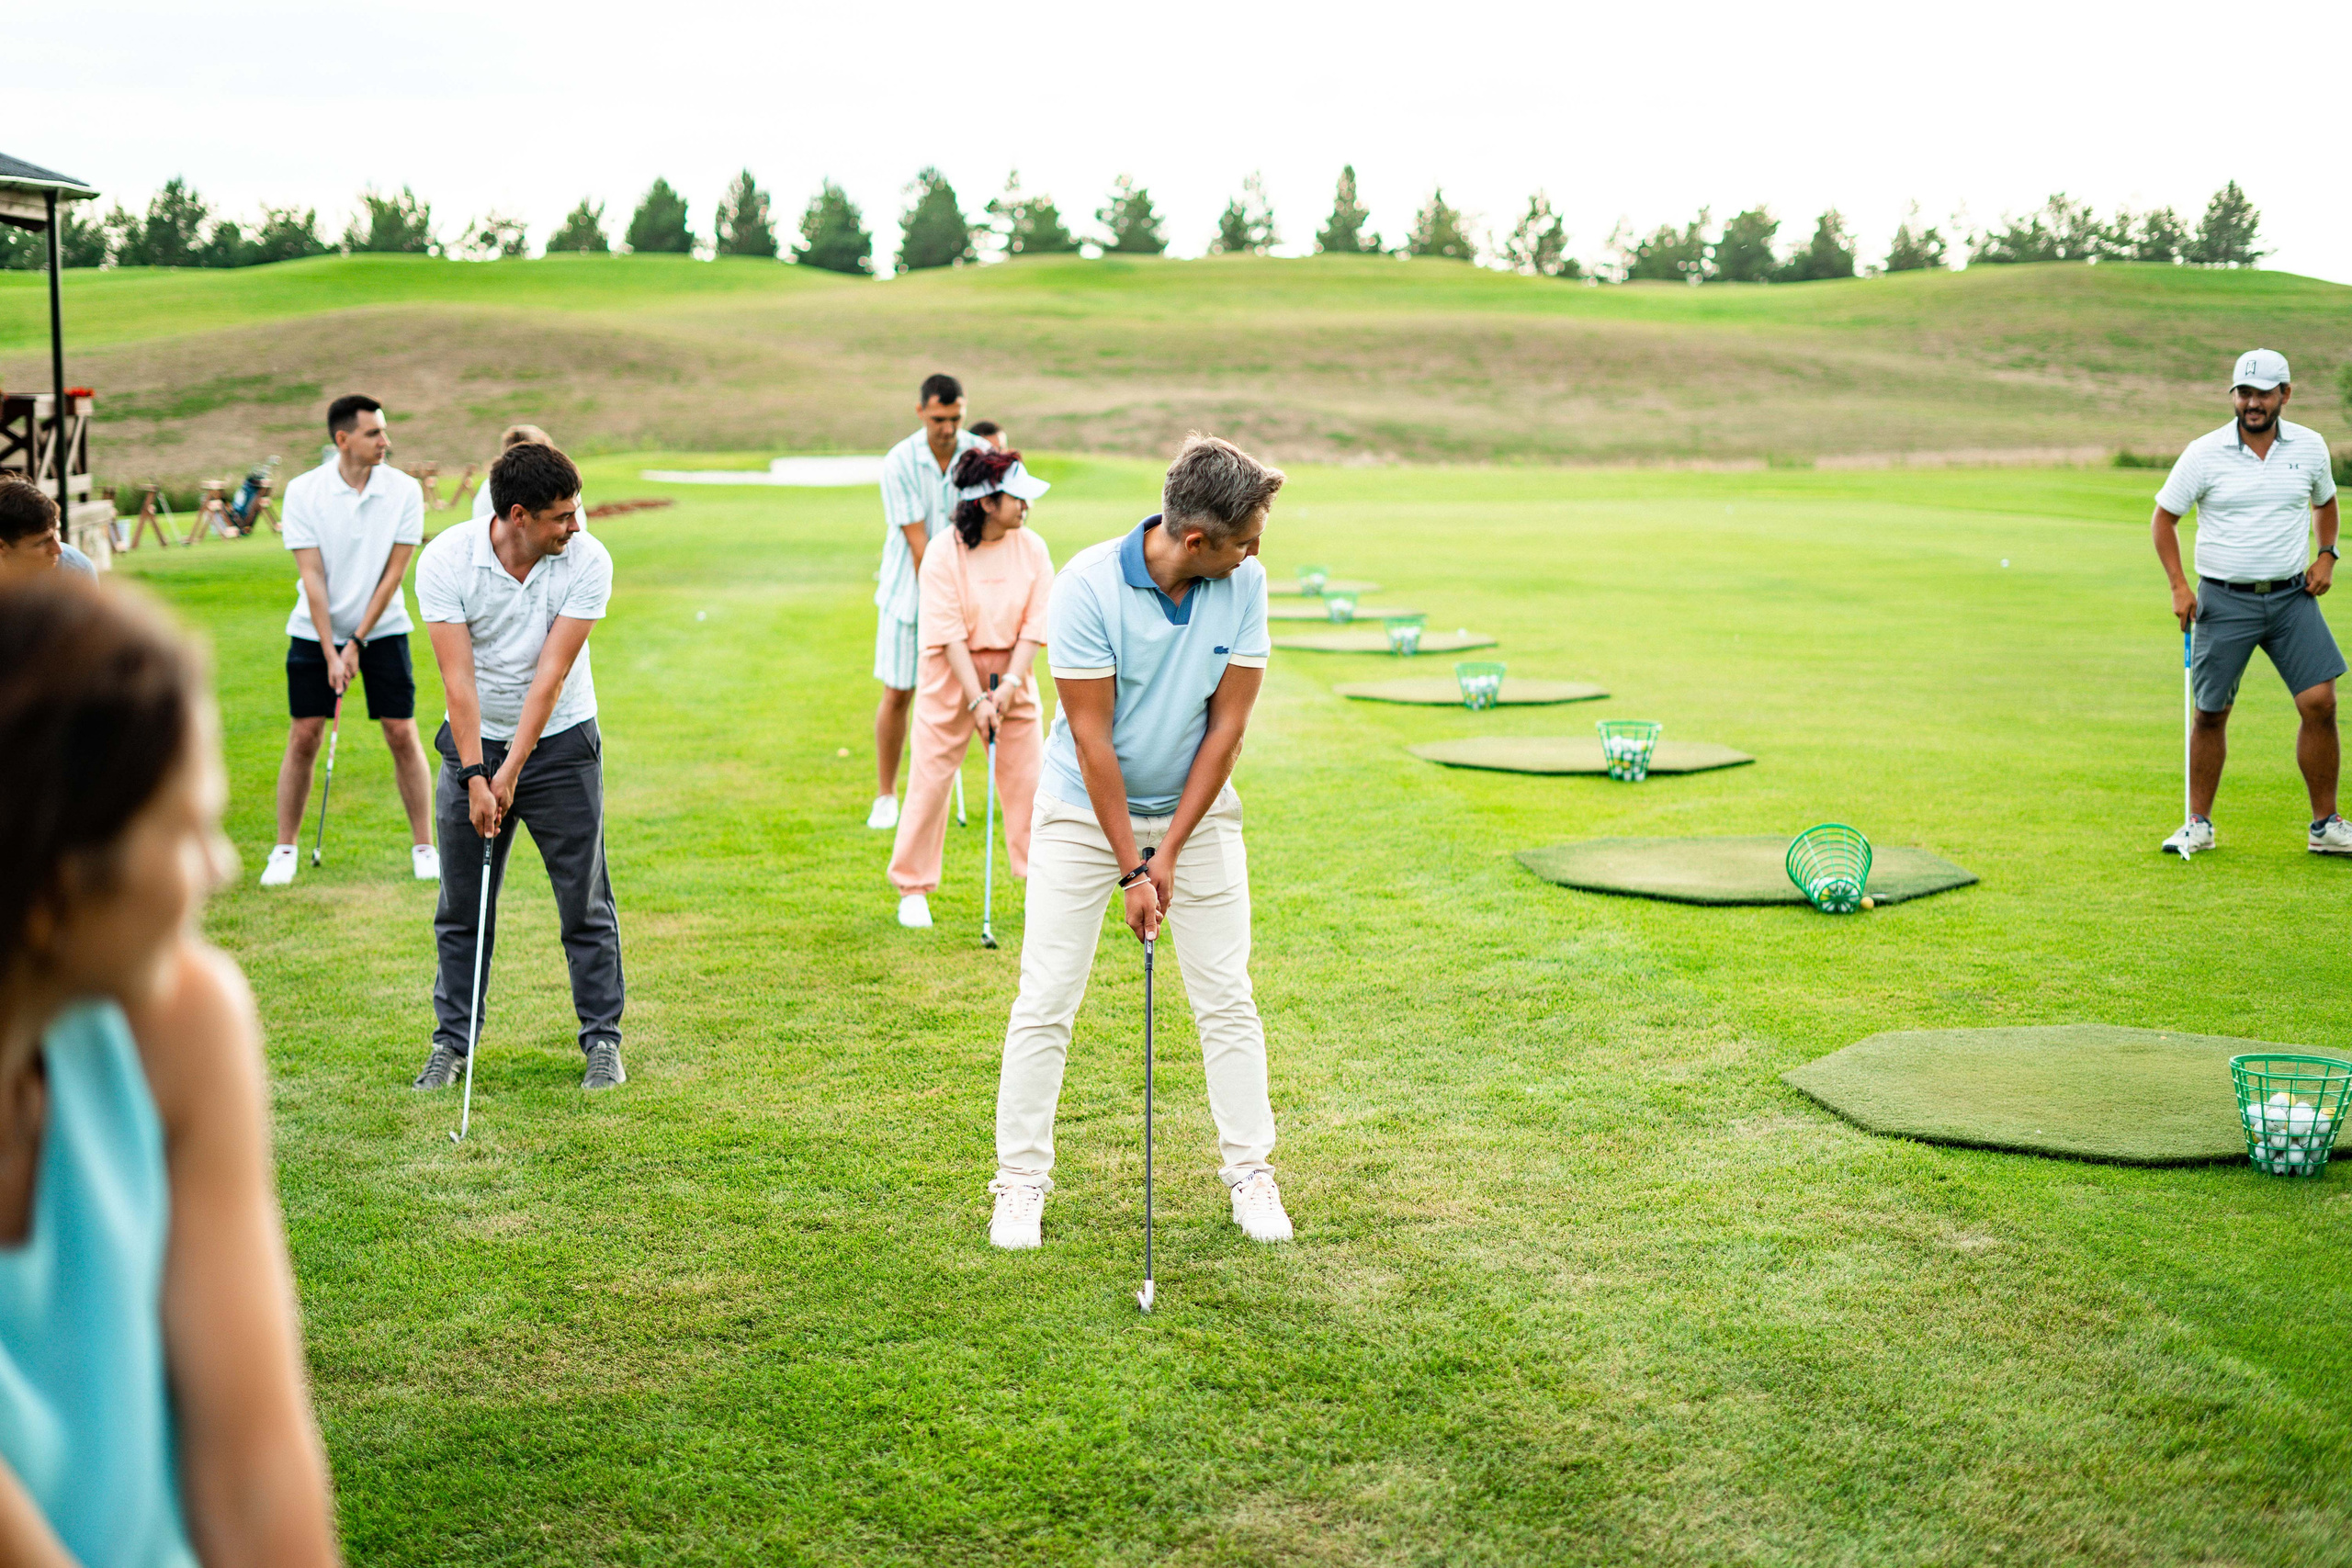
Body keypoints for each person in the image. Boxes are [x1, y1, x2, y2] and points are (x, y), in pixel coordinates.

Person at [0, 578, 341, 1566]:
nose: (222, 868)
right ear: (52, 895)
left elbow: (255, 1464)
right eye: (189, 830)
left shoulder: (186, 1021)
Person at [987, 434, 1295, 1251]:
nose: (1256, 552)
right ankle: (1019, 1182)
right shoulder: (1085, 585)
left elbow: (1226, 731)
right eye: (1245, 539)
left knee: (1227, 994)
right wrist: (1132, 866)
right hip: (1083, 816)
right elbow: (1092, 745)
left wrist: (1169, 852)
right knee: (1047, 994)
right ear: (1197, 541)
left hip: (1195, 810)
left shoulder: (1247, 583)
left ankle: (1251, 1172)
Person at [410, 440, 628, 1092]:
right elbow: (459, 683)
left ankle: (603, 1041)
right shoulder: (448, 560)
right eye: (561, 515)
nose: (575, 525)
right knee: (462, 906)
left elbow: (550, 677)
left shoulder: (587, 559)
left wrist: (509, 775)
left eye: (576, 510)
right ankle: (451, 1043)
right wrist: (478, 775)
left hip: (561, 745)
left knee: (584, 903)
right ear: (518, 515)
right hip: (474, 745)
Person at [2153, 348, 2346, 855]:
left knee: (2320, 703)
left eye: (2263, 393)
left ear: (2285, 394)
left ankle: (2325, 825)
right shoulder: (2203, 452)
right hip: (2223, 599)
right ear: (2233, 396)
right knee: (2211, 713)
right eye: (2243, 392)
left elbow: (2325, 502)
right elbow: (2164, 519)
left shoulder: (2309, 445)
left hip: (2291, 598)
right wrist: (2178, 585)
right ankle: (2198, 822)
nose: (2252, 403)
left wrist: (2326, 555)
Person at [261, 394, 437, 888]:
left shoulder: (404, 490)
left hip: (383, 629)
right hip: (313, 631)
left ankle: (424, 846)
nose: (387, 441)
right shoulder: (303, 492)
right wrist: (329, 650)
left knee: (402, 733)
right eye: (374, 433)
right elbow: (312, 577)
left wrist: (356, 641)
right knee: (304, 735)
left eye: (384, 431)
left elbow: (394, 573)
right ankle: (284, 848)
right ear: (343, 439)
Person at [887, 446, 1055, 928]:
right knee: (932, 779)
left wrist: (1008, 688)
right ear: (985, 502)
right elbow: (948, 634)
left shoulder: (1033, 548)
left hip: (1013, 673)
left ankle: (1038, 882)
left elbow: (1033, 626)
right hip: (949, 672)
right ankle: (913, 887)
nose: (1026, 506)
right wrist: (976, 697)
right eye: (1017, 498)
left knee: (1029, 783)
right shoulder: (943, 551)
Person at [870, 373, 989, 830]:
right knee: (899, 692)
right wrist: (945, 600)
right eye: (939, 419)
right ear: (921, 412)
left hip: (970, 596)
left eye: (956, 418)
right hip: (907, 597)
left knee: (970, 696)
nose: (948, 428)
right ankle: (885, 796)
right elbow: (920, 546)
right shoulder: (899, 462)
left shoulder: (977, 454)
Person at [0, 476, 96, 580]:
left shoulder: (76, 569)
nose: (59, 549)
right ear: (1, 546)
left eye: (56, 531)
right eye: (42, 542)